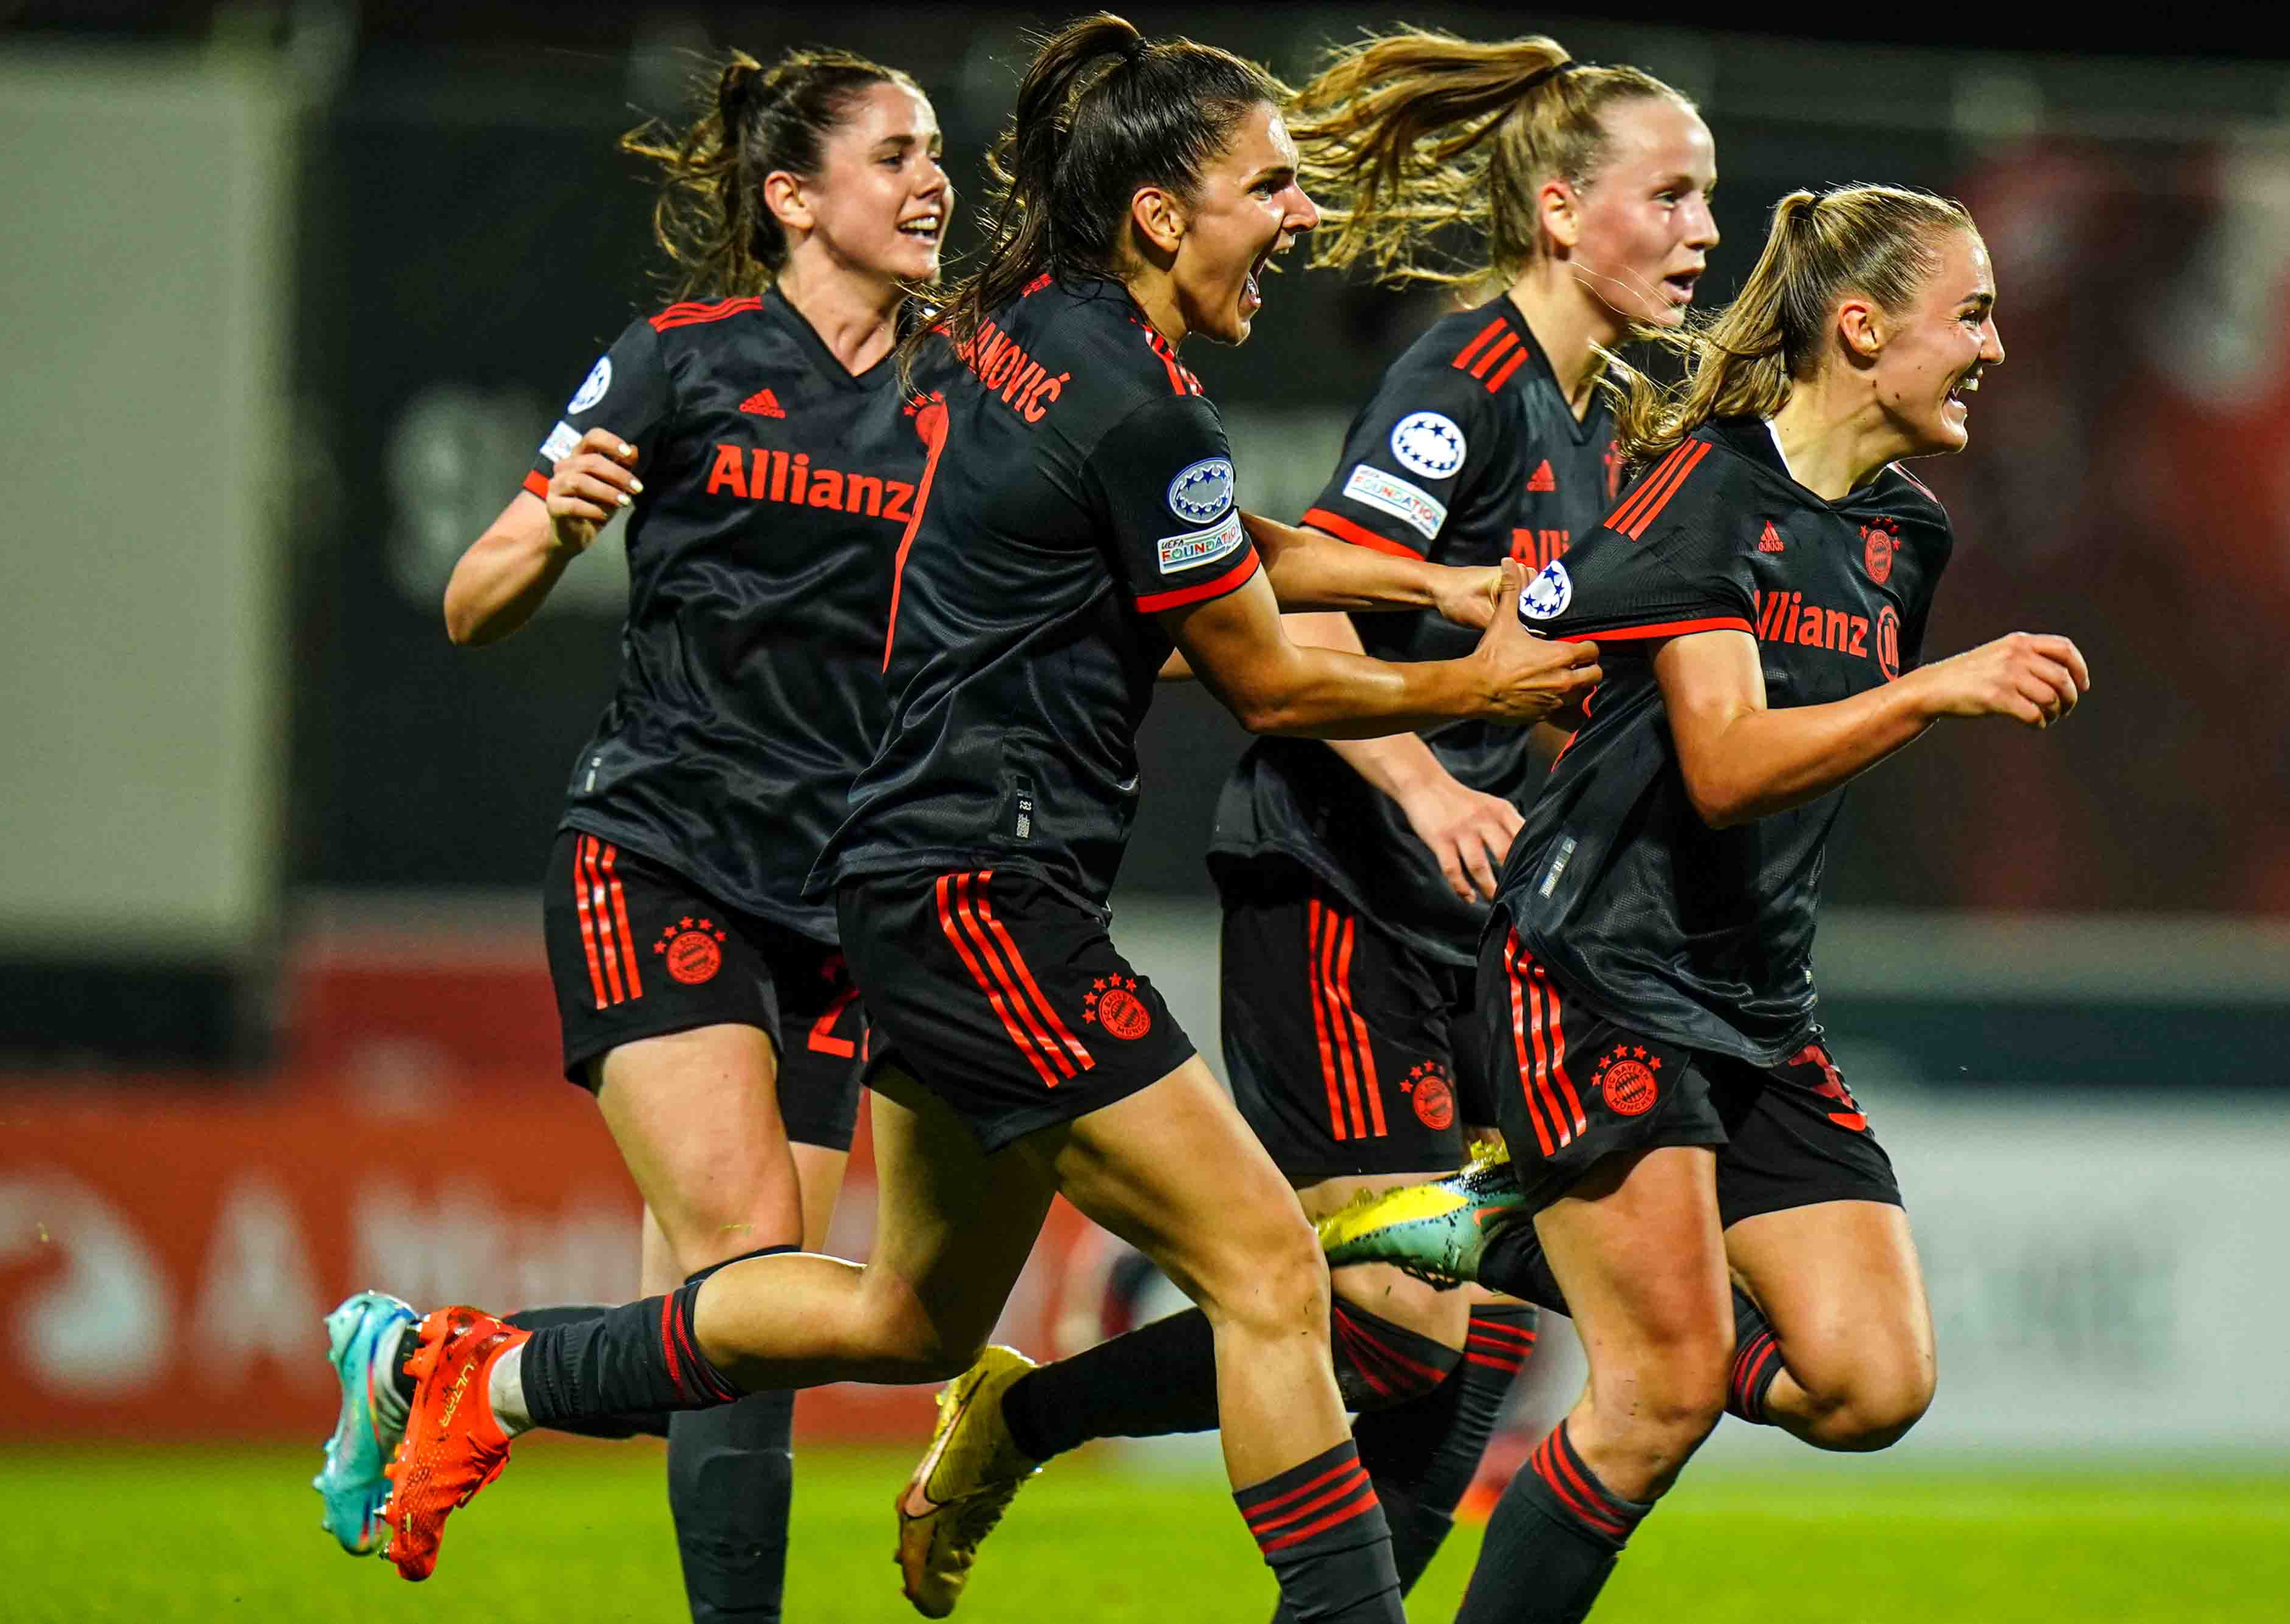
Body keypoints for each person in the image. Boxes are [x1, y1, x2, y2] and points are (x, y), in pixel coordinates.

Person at [366, 19, 1600, 1624]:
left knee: (904, 1319)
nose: (1295, 224)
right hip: (979, 889)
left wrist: (1430, 584)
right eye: (1269, 190)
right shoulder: (1123, 402)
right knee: (1268, 1270)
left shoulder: (1029, 318)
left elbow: (1213, 535)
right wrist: (1479, 682)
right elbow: (1267, 682)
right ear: (1160, 213)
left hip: (902, 879)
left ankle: (478, 1369)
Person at [893, 29, 1720, 1614]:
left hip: (1467, 915)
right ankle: (1037, 1415)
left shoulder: (1581, 410)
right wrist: (1433, 779)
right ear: (1561, 209)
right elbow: (1291, 636)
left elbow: (1294, 552)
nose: (1699, 231)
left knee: (1474, 1316)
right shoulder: (1461, 384)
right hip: (1336, 873)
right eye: (1669, 195)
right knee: (1372, 1310)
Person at [1329, 184, 2090, 1622]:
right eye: (1972, 311)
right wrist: (1936, 687)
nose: (1995, 344)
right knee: (1657, 1396)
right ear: (1862, 327)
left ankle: (1504, 1222)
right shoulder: (1705, 488)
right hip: (1595, 973)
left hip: (1751, 1000)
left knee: (1870, 1381)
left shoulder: (1900, 535)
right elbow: (1730, 764)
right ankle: (1540, 1220)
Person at [310, 47, 952, 1624]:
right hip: (659, 851)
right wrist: (561, 527)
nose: (938, 179)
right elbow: (473, 598)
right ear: (793, 198)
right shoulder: (679, 360)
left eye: (943, 151)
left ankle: (426, 1358)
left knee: (743, 1330)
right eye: (895, 154)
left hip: (836, 895)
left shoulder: (966, 390)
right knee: (752, 1265)